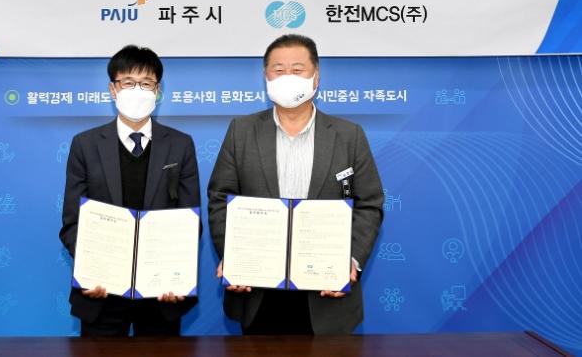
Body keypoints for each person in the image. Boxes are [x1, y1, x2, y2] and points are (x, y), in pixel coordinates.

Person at [208, 34, 384, 335]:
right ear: (266, 76)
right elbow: (220, 199)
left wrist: (350, 260)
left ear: (316, 77)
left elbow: (369, 204)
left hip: (326, 293)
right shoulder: (241, 131)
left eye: (297, 69)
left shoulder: (348, 135)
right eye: (278, 70)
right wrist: (235, 257)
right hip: (258, 291)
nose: (287, 77)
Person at [60, 45, 200, 336]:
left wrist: (176, 274)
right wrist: (91, 270)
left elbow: (190, 220)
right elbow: (73, 221)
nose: (137, 91)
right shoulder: (85, 145)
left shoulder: (180, 144)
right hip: (102, 293)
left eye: (146, 83)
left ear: (158, 91)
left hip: (161, 294)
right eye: (128, 83)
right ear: (113, 89)